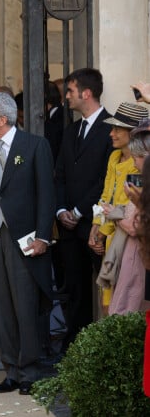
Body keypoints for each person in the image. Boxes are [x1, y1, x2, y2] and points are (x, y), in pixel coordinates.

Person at [0, 91, 55, 396]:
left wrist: (44, 236)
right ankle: (11, 371)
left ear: (2, 119)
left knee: (25, 306)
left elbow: (47, 194)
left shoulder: (35, 146)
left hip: (26, 239)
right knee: (4, 306)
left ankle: (30, 371)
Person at [54, 67, 113, 352]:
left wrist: (78, 210)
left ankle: (105, 346)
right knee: (74, 289)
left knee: (107, 285)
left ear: (86, 93)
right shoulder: (70, 130)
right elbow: (61, 173)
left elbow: (106, 178)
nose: (66, 97)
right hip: (69, 226)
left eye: (70, 91)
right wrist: (61, 210)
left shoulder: (111, 129)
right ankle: (76, 346)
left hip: (95, 224)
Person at [89, 102, 149, 311]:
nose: (111, 134)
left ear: (133, 133)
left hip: (129, 236)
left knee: (126, 300)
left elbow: (130, 207)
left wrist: (103, 231)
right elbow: (106, 195)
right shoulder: (114, 157)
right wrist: (96, 227)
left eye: (117, 129)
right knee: (110, 299)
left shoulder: (140, 164)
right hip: (112, 232)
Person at [103, 129, 150, 314]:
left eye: (136, 157)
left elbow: (135, 227)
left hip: (138, 257)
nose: (135, 162)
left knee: (126, 309)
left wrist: (113, 213)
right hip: (135, 255)